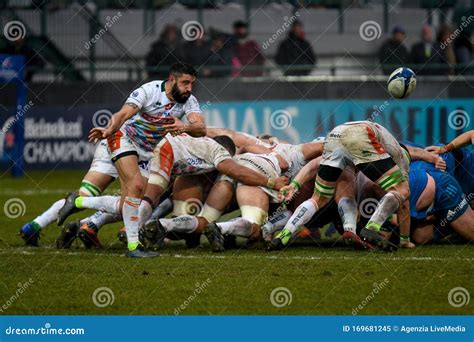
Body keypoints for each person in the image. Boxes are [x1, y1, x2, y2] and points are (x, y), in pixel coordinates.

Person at [58, 63, 206, 258]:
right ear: (171, 80)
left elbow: (201, 128)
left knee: (128, 205)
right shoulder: (149, 90)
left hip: (146, 151)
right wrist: (109, 130)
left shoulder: (189, 101)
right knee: (135, 187)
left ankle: (78, 201)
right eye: (185, 83)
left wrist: (185, 127)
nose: (189, 88)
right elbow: (123, 114)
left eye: (192, 84)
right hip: (123, 138)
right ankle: (133, 248)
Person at [272, 121, 412, 251]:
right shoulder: (402, 157)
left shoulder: (383, 144)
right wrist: (405, 240)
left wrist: (294, 185)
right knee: (402, 189)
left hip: (334, 135)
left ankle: (283, 235)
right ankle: (371, 228)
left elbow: (314, 164)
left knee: (319, 198)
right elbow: (404, 202)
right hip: (360, 134)